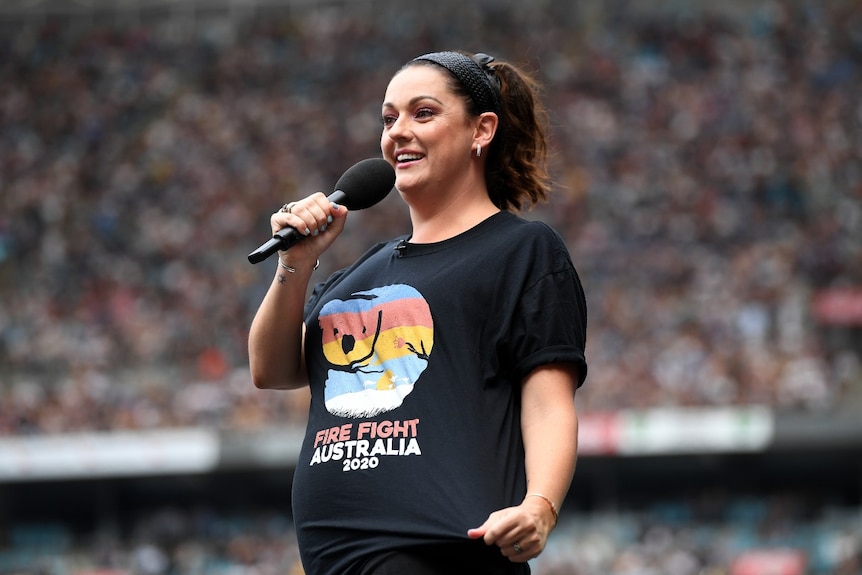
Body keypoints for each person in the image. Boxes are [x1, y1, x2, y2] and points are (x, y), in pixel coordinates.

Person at [248, 50, 587, 575]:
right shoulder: (362, 272)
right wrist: (296, 263)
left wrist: (540, 506)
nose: (397, 132)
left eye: (422, 113)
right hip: (334, 559)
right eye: (389, 118)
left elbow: (548, 402)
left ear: (482, 130)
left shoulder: (521, 251)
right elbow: (271, 370)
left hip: (444, 552)